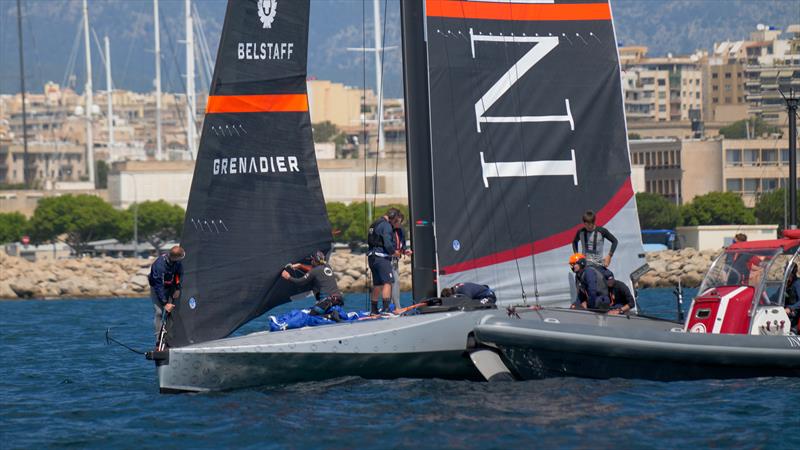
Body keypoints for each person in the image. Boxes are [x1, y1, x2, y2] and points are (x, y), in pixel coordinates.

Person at [281, 250, 344, 320]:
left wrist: (288, 277)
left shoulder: (314, 271)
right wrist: (300, 266)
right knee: (319, 310)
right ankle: (333, 314)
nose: (311, 262)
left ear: (314, 261)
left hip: (327, 301)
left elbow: (300, 282)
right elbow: (313, 269)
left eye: (311, 260)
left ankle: (330, 316)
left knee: (311, 317)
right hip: (339, 300)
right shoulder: (327, 266)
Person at [367, 208, 403, 314]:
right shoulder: (386, 225)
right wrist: (394, 253)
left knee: (377, 284)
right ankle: (386, 309)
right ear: (393, 217)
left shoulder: (374, 223)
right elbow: (387, 243)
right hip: (381, 258)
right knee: (388, 282)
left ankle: (373, 310)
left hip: (371, 257)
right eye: (396, 219)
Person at [148, 245, 185, 343]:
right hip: (158, 288)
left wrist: (177, 288)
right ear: (174, 257)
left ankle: (169, 337)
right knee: (159, 312)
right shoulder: (159, 265)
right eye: (180, 258)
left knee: (172, 312)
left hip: (171, 287)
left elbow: (178, 274)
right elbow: (158, 285)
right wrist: (165, 303)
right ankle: (158, 339)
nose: (181, 260)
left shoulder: (177, 262)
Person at [390, 213, 412, 311]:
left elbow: (401, 245)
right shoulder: (388, 230)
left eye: (400, 221)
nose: (399, 223)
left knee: (395, 282)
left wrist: (404, 251)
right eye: (397, 221)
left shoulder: (400, 231)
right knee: (394, 282)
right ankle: (396, 307)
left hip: (395, 260)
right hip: (388, 259)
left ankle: (392, 307)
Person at [784, 263, 800, 332]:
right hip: (785, 311)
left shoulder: (797, 284)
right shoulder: (786, 284)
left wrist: (790, 308)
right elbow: (776, 296)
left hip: (794, 314)